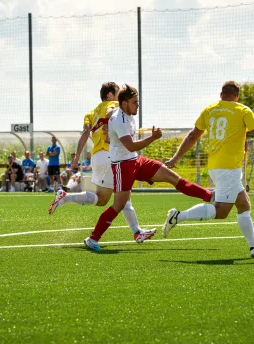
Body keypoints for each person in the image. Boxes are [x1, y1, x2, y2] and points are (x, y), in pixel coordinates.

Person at [82, 84, 214, 251]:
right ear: (124, 104)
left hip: (136, 161)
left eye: (137, 102)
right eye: (134, 102)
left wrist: (106, 126)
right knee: (119, 205)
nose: (138, 105)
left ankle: (210, 196)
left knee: (173, 178)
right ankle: (93, 239)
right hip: (122, 166)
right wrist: (153, 138)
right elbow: (130, 146)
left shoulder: (123, 112)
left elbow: (109, 114)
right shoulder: (119, 120)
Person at [163, 81, 254, 259]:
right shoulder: (243, 110)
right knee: (222, 211)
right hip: (229, 168)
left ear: (221, 95)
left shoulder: (209, 110)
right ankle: (178, 216)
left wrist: (176, 158)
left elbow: (193, 135)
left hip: (216, 166)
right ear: (237, 96)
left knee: (243, 204)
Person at [48, 82, 156, 244]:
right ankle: (66, 198)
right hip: (111, 155)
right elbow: (110, 112)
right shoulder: (113, 105)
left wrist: (76, 158)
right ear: (111, 95)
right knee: (107, 199)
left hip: (98, 156)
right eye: (118, 93)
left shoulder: (90, 113)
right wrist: (107, 123)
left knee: (121, 196)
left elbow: (85, 133)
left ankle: (137, 232)